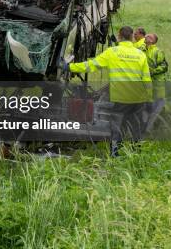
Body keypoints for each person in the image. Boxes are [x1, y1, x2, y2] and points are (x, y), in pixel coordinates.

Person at [65, 26, 152, 156]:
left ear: (119, 36)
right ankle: (136, 153)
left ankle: (115, 154)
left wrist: (69, 66)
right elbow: (147, 79)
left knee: (117, 125)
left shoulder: (112, 52)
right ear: (132, 37)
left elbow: (90, 66)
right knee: (135, 126)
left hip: (122, 98)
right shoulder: (140, 55)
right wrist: (149, 98)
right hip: (139, 98)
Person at [143, 33, 168, 131]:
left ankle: (151, 130)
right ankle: (145, 130)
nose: (146, 37)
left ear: (153, 41)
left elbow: (164, 66)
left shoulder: (157, 51)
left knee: (155, 110)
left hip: (157, 86)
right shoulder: (142, 51)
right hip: (146, 87)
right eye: (146, 36)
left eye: (149, 36)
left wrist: (152, 71)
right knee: (146, 109)